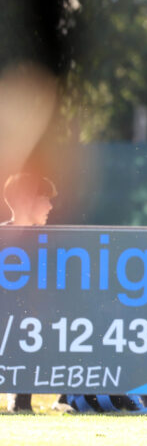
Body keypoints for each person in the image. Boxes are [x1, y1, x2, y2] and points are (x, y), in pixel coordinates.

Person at [2, 173, 71, 413]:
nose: (50, 206)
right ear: (25, 200)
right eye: (45, 198)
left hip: (39, 325)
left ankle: (63, 398)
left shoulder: (49, 244)